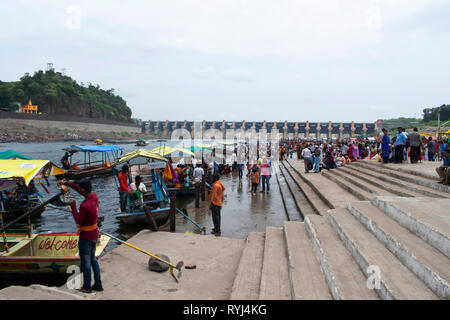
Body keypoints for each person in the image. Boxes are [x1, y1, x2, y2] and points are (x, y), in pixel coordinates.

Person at [58, 178, 103, 293]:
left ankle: (87, 286)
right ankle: (98, 284)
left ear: (83, 190)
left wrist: (73, 207)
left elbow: (78, 221)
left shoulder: (85, 206)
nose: (79, 190)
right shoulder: (94, 197)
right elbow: (78, 189)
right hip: (94, 234)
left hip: (86, 237)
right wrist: (66, 183)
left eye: (80, 189)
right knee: (93, 259)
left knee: (86, 262)